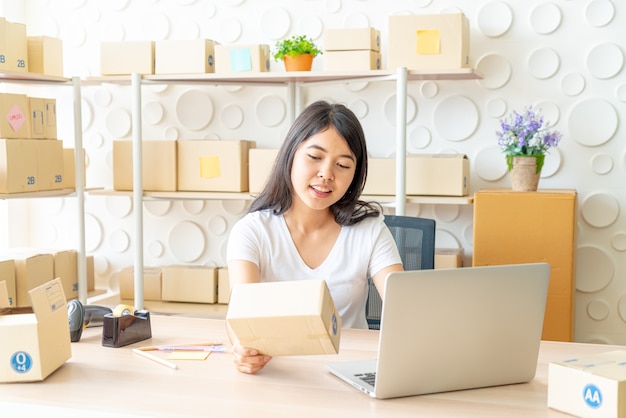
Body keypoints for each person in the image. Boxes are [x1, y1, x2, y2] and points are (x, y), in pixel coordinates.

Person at [226, 100, 403, 374]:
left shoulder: (370, 230)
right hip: (280, 374)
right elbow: (242, 319)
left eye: (343, 165)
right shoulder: (252, 232)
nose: (326, 174)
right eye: (314, 157)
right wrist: (242, 350)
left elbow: (404, 304)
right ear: (291, 155)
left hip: (352, 371)